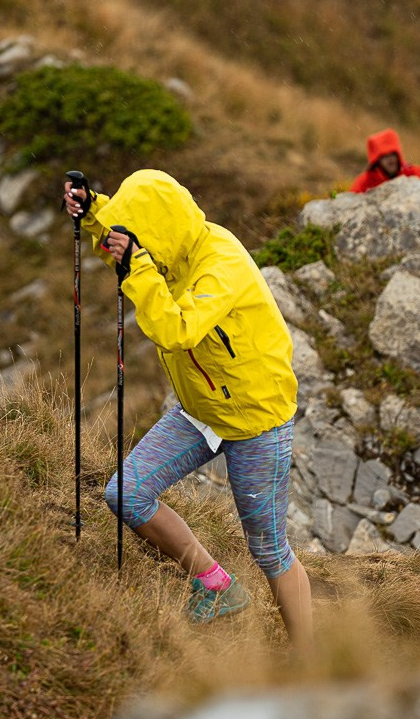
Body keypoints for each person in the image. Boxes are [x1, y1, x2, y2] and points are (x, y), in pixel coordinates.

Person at [63, 169, 313, 655]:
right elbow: (132, 232)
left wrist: (137, 266)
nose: (136, 250)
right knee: (127, 493)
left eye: (142, 242)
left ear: (161, 234)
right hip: (200, 408)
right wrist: (93, 210)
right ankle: (216, 585)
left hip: (257, 419)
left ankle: (308, 657)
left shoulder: (221, 266)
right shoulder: (168, 248)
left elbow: (177, 330)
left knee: (267, 548)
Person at [350, 128, 420, 193]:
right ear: (377, 162)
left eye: (392, 154)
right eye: (384, 156)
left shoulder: (415, 173)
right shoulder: (365, 182)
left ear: (398, 155)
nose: (390, 159)